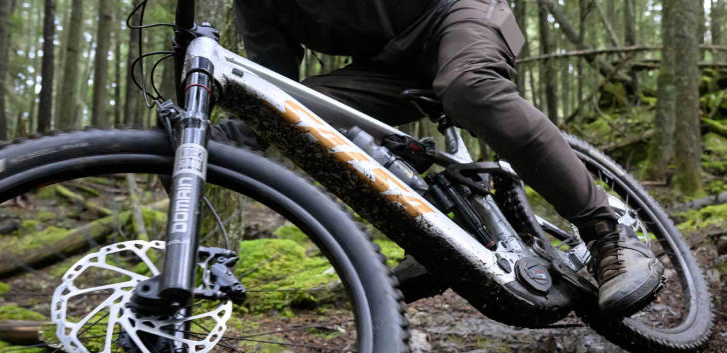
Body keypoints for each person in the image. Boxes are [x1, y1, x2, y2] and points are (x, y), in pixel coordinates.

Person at [232, 0, 663, 317]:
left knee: (469, 86)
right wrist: (220, 137)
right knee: (300, 114)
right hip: (388, 63)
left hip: (460, 13)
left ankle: (609, 234)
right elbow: (274, 83)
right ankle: (436, 237)